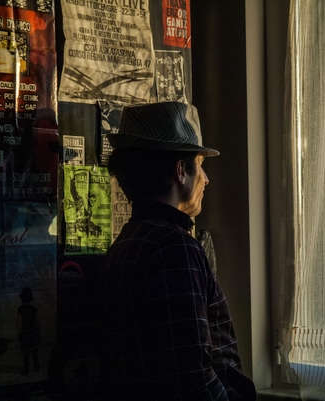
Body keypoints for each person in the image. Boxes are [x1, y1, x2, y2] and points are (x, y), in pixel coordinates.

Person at [101, 101, 256, 400]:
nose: (206, 179)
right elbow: (193, 379)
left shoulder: (125, 243)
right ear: (181, 170)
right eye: (200, 165)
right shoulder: (175, 248)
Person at [17, 287, 41, 375]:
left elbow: (18, 321)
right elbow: (37, 322)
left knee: (26, 352)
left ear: (22, 299)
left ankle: (26, 369)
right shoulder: (34, 309)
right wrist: (37, 331)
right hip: (33, 332)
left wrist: (20, 331)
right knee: (34, 351)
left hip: (25, 333)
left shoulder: (21, 309)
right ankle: (36, 366)